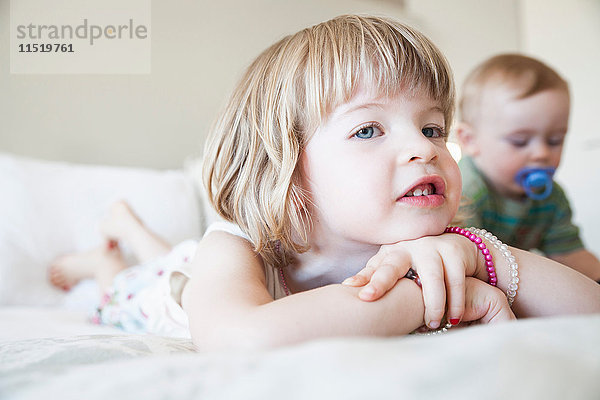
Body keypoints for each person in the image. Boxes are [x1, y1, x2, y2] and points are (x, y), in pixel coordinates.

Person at [49, 16, 600, 350]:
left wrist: (485, 260)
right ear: (286, 167)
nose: (424, 147)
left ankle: (129, 237)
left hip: (192, 270)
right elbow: (241, 340)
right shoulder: (237, 246)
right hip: (171, 289)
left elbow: (590, 312)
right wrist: (422, 301)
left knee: (170, 258)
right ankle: (104, 255)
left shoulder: (432, 243)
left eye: (432, 126)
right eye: (367, 129)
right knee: (145, 274)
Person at [456, 54, 600, 281]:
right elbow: (465, 265)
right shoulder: (463, 192)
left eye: (554, 140)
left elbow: (569, 255)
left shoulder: (550, 197)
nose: (542, 153)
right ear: (470, 141)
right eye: (520, 142)